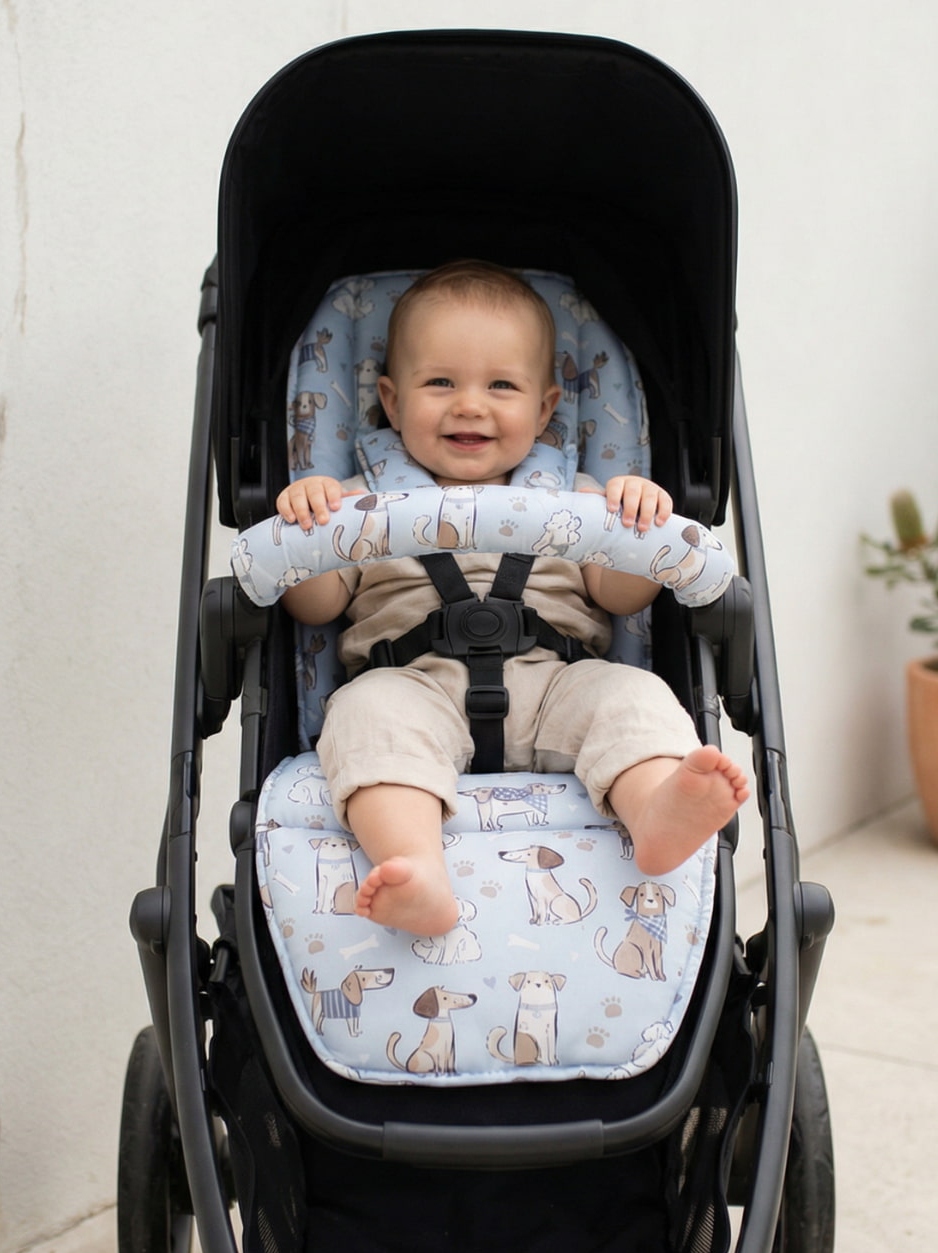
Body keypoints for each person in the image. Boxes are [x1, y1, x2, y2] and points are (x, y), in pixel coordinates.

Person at [277, 261, 748, 938]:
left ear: (546, 407)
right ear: (391, 397)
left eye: (502, 385)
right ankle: (414, 868)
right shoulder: (358, 500)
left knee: (631, 698)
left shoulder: (578, 496)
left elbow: (621, 596)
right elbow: (316, 607)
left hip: (555, 686)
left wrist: (636, 525)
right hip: (414, 687)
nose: (470, 404)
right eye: (440, 382)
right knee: (365, 717)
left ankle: (656, 811)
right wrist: (307, 533)